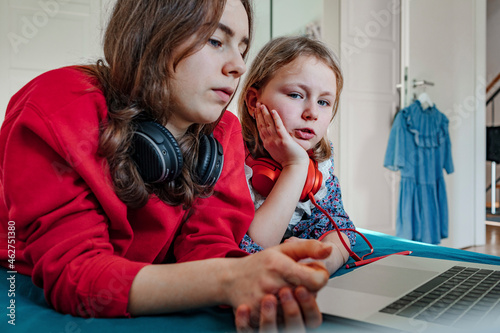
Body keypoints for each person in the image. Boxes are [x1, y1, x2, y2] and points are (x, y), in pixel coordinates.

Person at [0, 1, 332, 330]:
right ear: (153, 36)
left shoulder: (222, 133)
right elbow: (76, 276)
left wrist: (257, 284)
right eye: (216, 41)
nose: (239, 67)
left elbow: (210, 247)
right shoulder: (58, 103)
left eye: (242, 49)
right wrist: (230, 279)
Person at [238, 36, 356, 274]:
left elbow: (342, 231)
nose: (312, 112)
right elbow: (252, 249)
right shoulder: (231, 158)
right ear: (253, 101)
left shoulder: (319, 164)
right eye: (295, 95)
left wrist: (325, 260)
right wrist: (294, 165)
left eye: (324, 102)